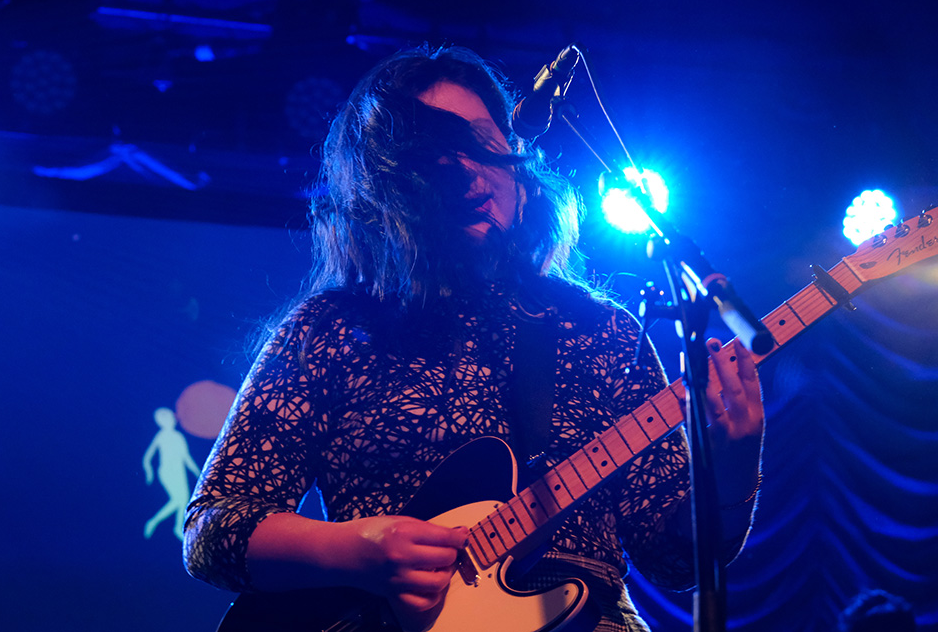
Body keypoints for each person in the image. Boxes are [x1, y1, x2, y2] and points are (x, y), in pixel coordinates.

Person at [183, 45, 764, 632]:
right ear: (389, 187)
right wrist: (364, 550)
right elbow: (213, 528)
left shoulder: (603, 331)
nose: (468, 172)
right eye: (436, 157)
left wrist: (735, 460)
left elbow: (677, 563)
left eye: (484, 145)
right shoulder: (332, 330)